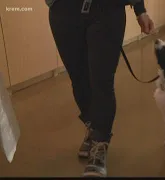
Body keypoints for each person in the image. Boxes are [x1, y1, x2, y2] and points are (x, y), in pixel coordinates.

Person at [46, 0, 154, 177]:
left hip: (107, 10)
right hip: (64, 11)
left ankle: (100, 141)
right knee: (78, 78)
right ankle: (93, 126)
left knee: (102, 81)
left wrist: (140, 9)